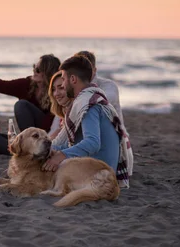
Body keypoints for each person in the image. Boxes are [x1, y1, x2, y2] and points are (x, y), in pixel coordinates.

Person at [42, 55, 134, 188]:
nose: (62, 84)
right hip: (102, 172)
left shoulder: (88, 104)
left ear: (72, 79)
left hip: (97, 177)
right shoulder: (92, 98)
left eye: (63, 79)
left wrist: (61, 155)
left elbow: (92, 143)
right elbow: (66, 142)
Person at [0, 54, 61, 155]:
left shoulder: (57, 93)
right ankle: (22, 150)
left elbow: (50, 126)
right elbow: (2, 85)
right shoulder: (27, 84)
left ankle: (27, 149)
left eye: (38, 69)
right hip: (27, 137)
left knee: (21, 105)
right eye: (34, 67)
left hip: (44, 137)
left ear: (47, 73)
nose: (34, 71)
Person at [75, 51, 125, 126]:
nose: (82, 73)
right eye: (78, 69)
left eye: (86, 69)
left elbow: (102, 102)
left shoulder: (109, 85)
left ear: (94, 70)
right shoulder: (73, 87)